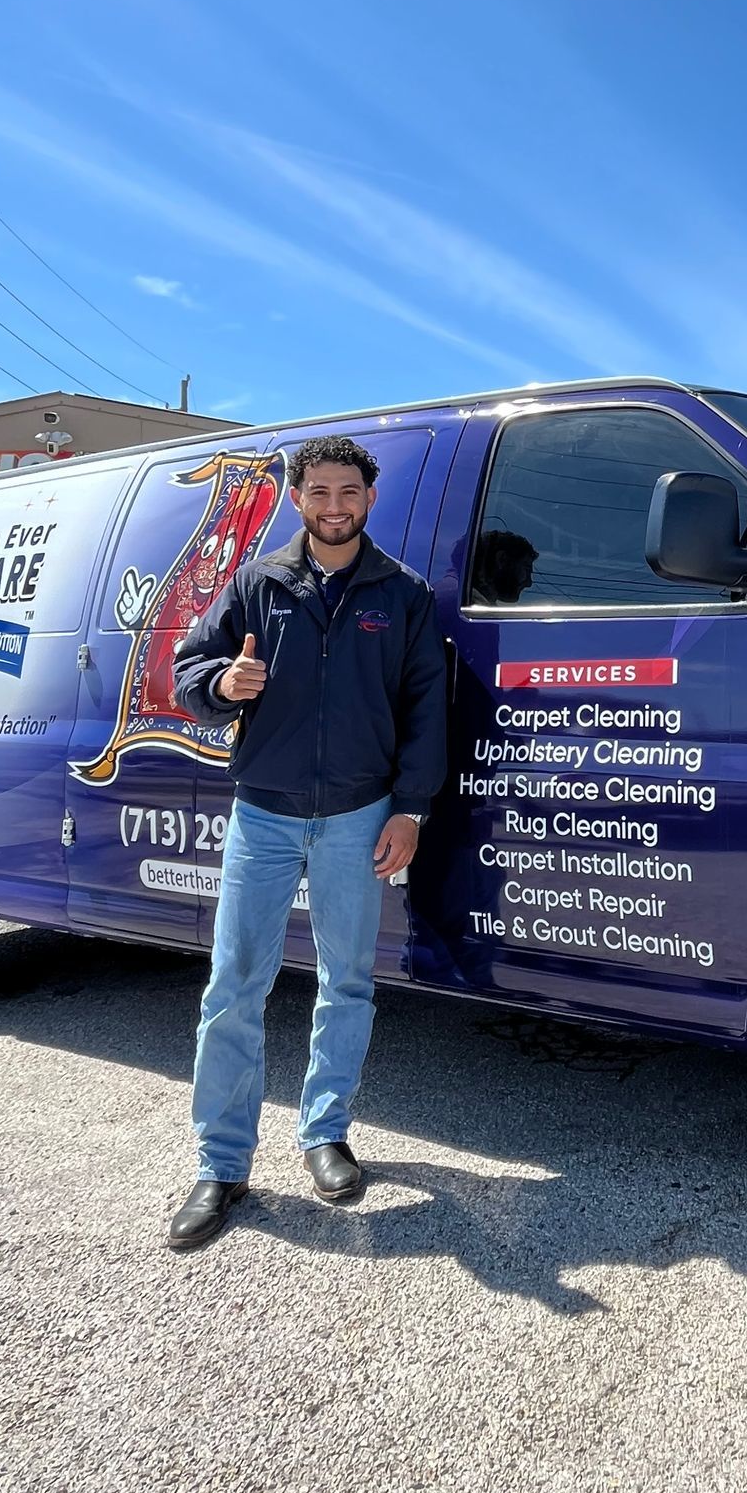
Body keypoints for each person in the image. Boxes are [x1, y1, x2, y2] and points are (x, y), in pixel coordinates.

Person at [164, 436, 447, 1250]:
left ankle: (325, 1135)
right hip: (264, 814)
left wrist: (411, 811)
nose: (334, 505)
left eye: (347, 491)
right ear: (297, 498)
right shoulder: (258, 584)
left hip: (361, 815)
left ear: (369, 496)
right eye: (318, 491)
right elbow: (190, 668)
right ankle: (221, 1165)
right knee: (234, 988)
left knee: (348, 982)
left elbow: (428, 708)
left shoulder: (402, 595)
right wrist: (222, 684)